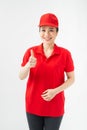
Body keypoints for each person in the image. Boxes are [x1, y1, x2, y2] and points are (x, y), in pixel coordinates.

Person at [19, 13, 75, 130]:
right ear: (39, 31)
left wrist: (55, 91)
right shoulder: (31, 52)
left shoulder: (65, 54)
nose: (46, 34)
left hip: (55, 106)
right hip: (33, 105)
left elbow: (71, 79)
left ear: (57, 32)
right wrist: (28, 65)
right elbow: (21, 76)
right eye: (43, 30)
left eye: (51, 30)